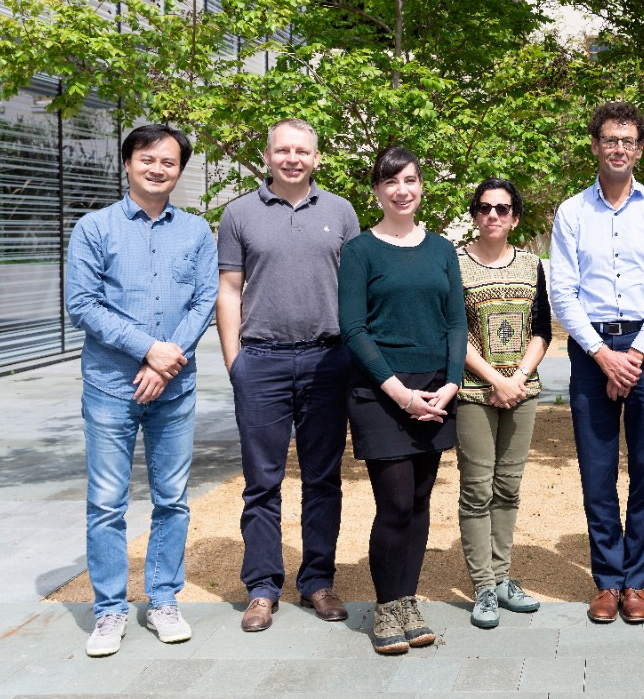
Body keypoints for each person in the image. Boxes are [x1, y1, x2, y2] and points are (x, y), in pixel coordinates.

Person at [65, 124, 218, 657]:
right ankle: (108, 611)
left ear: (180, 170)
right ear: (128, 163)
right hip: (110, 387)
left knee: (172, 500)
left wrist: (166, 361)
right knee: (106, 502)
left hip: (174, 390)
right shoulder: (94, 228)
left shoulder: (197, 231)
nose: (158, 169)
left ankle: (162, 599)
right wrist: (148, 350)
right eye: (148, 159)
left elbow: (204, 302)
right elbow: (82, 302)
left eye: (169, 162)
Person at [216, 118, 361, 632]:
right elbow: (229, 289)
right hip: (262, 362)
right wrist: (235, 361)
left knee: (323, 479)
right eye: (283, 150)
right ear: (268, 154)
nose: (292, 158)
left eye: (302, 150)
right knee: (262, 482)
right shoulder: (239, 213)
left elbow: (355, 289)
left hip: (328, 362)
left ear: (317, 157)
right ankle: (261, 588)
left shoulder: (341, 212)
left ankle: (318, 580)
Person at [550, 101, 644, 624]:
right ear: (595, 145)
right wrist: (604, 356)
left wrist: (633, 355)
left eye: (628, 140)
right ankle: (606, 581)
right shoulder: (571, 212)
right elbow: (563, 294)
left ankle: (636, 582)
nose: (619, 148)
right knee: (598, 470)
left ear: (640, 148)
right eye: (610, 140)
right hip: (591, 351)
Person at [337, 146, 466, 655]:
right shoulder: (360, 250)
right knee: (392, 502)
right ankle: (387, 607)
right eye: (390, 182)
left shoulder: (441, 250)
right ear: (376, 190)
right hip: (380, 389)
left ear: (420, 186)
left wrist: (451, 383)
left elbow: (457, 322)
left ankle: (408, 599)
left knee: (418, 500)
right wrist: (398, 392)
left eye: (410, 180)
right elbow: (353, 327)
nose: (402, 190)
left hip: (435, 388)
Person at [455, 178, 552, 629]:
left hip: (521, 391)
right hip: (474, 392)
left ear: (514, 217)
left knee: (508, 486)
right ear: (475, 214)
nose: (493, 215)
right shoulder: (453, 264)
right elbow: (453, 334)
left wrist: (517, 379)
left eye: (503, 208)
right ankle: (483, 586)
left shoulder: (533, 265)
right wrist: (495, 379)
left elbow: (542, 329)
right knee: (477, 489)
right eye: (485, 207)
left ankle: (502, 577)